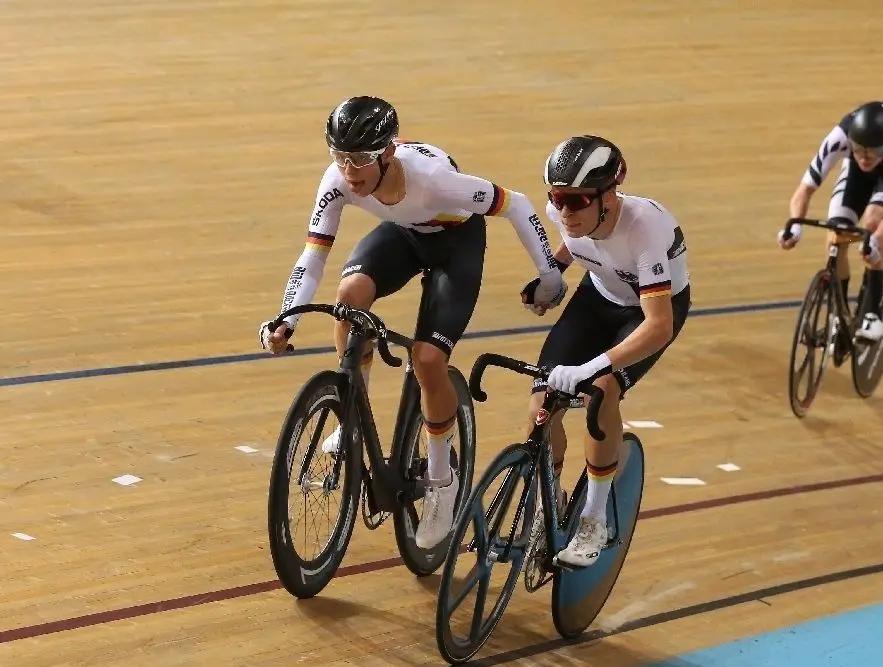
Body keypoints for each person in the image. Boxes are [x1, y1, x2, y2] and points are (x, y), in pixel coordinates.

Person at [259, 96, 566, 549]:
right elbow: (314, 254)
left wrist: (550, 279)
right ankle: (350, 412)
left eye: (360, 159)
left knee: (426, 360)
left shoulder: (437, 182)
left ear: (387, 152)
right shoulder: (339, 180)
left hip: (454, 247)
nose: (349, 171)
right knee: (349, 298)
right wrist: (287, 318)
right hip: (404, 234)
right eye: (340, 157)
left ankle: (442, 482)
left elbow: (517, 205)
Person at [520, 134, 692, 567]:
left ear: (609, 196)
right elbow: (573, 242)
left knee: (600, 390)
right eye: (556, 199)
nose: (563, 211)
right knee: (541, 402)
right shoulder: (567, 211)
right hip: (597, 298)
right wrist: (552, 276)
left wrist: (594, 367)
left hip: (649, 312)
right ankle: (549, 502)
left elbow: (658, 326)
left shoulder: (644, 228)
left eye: (576, 201)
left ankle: (595, 519)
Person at [778, 100, 883, 342]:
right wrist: (794, 225)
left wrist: (875, 241)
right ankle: (839, 316)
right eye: (858, 150)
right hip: (856, 171)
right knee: (836, 234)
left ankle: (874, 313)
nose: (865, 158)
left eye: (872, 152)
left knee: (873, 224)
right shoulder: (840, 137)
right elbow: (804, 190)